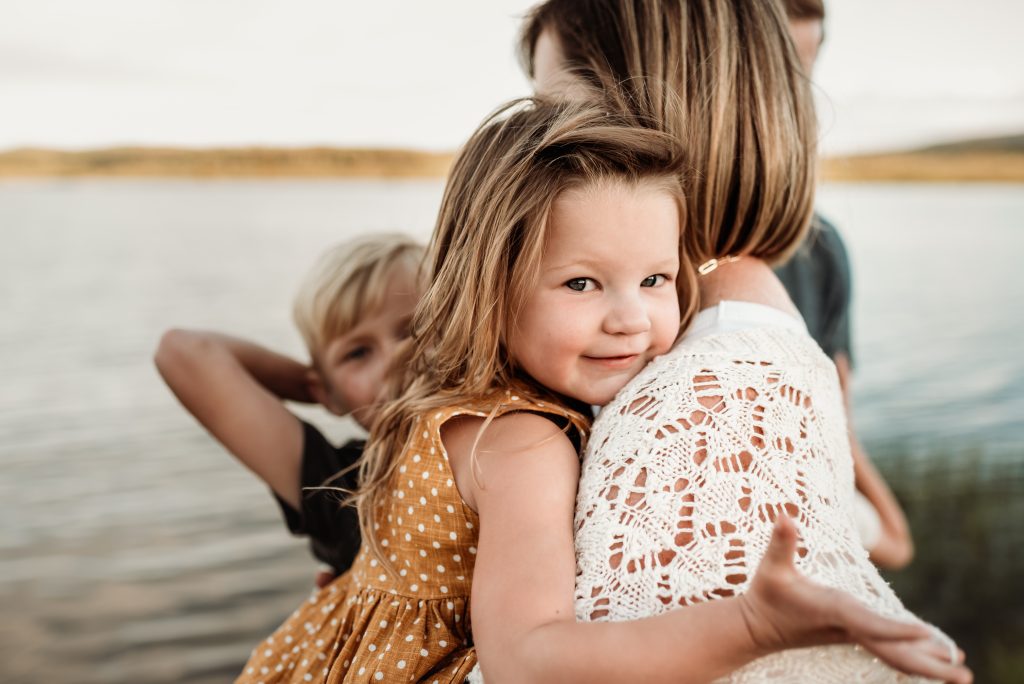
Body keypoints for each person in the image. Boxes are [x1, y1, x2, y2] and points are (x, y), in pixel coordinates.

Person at [235, 99, 965, 684]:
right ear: (489, 286)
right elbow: (527, 658)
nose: (630, 319)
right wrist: (753, 626)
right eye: (582, 283)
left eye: (654, 280)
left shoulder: (439, 389)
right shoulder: (521, 441)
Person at [520, 0, 968, 681]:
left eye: (557, 115)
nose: (529, 156)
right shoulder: (692, 336)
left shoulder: (711, 389)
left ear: (672, 117)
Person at [155, 234, 423, 581]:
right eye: (357, 353)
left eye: (415, 328)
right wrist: (319, 388)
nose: (394, 359)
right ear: (327, 392)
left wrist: (342, 386)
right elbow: (181, 351)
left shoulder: (508, 426)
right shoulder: (340, 489)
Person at [774, 0, 914, 569]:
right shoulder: (645, 257)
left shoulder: (822, 250)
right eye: (770, 69)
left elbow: (840, 431)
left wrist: (883, 529)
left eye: (803, 72)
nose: (792, 98)